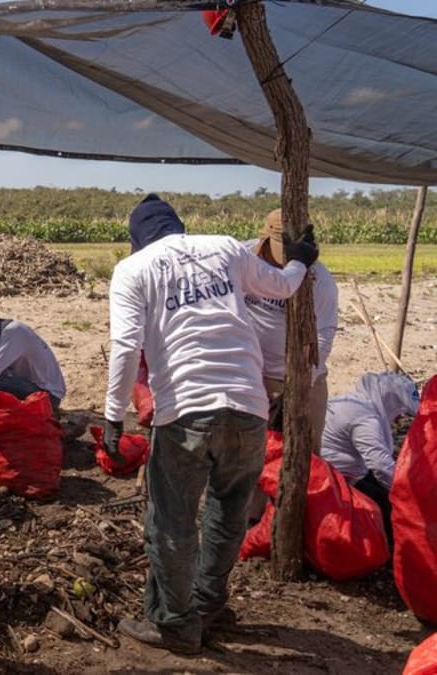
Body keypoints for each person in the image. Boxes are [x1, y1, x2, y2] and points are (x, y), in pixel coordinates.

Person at [103, 194, 317, 654]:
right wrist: (300, 262)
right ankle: (207, 602)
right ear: (178, 226)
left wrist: (111, 416)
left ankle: (176, 625)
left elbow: (124, 348)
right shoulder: (224, 247)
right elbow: (281, 286)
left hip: (186, 411)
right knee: (228, 509)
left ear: (136, 238)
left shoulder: (133, 270)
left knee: (171, 521)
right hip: (248, 407)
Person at [244, 209, 338, 454]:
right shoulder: (243, 258)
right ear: (265, 240)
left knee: (304, 456)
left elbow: (323, 335)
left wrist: (298, 383)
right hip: (253, 377)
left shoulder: (320, 280)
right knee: (252, 459)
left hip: (303, 381)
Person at [320, 372, 419, 536]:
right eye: (399, 412)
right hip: (336, 478)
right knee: (393, 511)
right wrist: (408, 495)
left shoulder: (355, 402)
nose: (398, 419)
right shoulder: (367, 420)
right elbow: (381, 466)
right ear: (391, 402)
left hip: (335, 469)